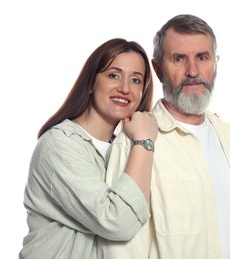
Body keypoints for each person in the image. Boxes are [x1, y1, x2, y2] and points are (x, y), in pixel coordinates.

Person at [98, 15, 230, 258]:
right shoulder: (134, 145)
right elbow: (120, 251)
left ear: (215, 63)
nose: (193, 71)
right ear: (158, 69)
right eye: (179, 59)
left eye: (202, 57)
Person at [19, 38, 158, 259]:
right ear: (92, 82)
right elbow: (117, 221)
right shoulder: (59, 145)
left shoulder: (124, 150)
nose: (124, 88)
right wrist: (144, 141)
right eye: (113, 75)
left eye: (135, 80)